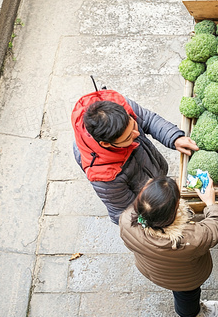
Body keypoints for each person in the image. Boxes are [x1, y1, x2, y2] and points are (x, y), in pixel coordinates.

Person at [71, 88, 199, 224]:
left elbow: (148, 120)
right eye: (128, 138)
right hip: (146, 199)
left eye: (134, 125)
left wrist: (174, 138)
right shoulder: (105, 177)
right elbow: (123, 213)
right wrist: (160, 218)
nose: (136, 134)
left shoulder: (118, 107)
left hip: (152, 171)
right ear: (106, 144)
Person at [119, 175, 218, 317]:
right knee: (186, 297)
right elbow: (217, 226)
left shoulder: (126, 219)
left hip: (152, 269)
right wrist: (210, 203)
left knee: (181, 293)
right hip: (184, 279)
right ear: (174, 212)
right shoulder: (188, 240)